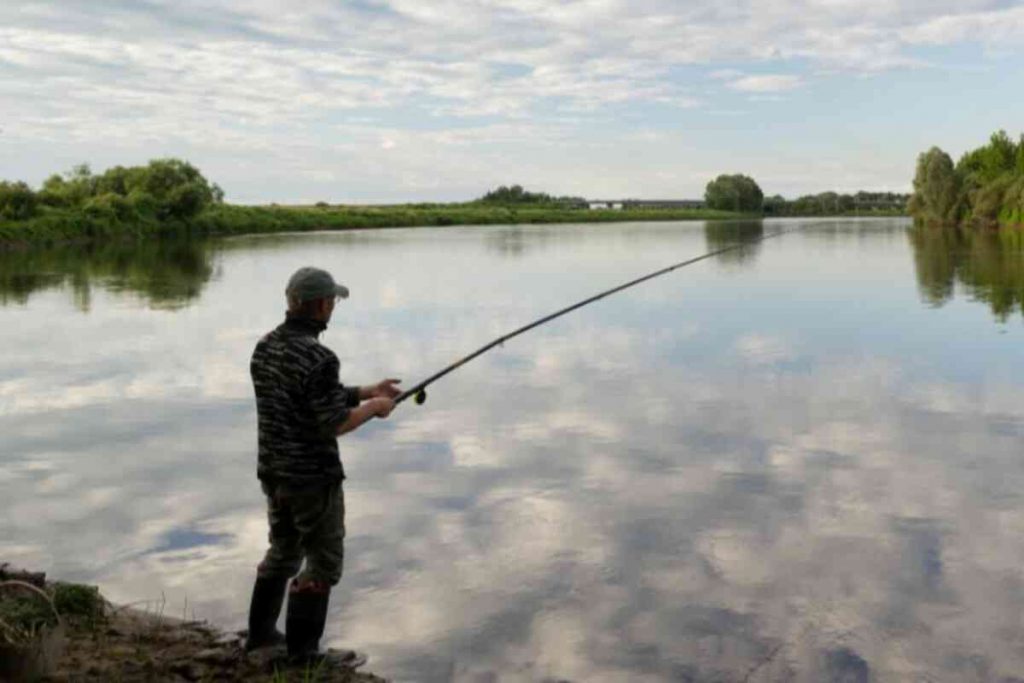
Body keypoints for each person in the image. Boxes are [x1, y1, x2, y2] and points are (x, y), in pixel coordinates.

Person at [245, 266, 399, 667]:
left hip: (274, 473)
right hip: (312, 479)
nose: (334, 307)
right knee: (323, 562)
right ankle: (304, 655)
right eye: (332, 301)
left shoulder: (265, 347)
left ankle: (260, 636)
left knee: (282, 550)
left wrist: (365, 391)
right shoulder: (319, 356)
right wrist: (373, 408)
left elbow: (309, 397)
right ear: (320, 305)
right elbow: (333, 422)